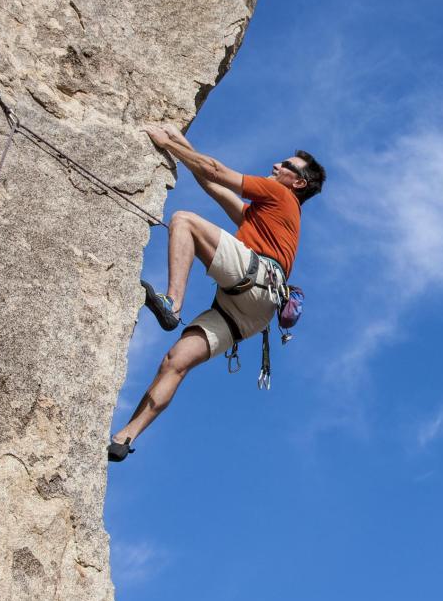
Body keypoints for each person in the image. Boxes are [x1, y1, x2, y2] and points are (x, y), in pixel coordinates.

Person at [107, 124, 325, 461]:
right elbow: (209, 181)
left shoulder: (279, 194)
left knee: (184, 220)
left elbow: (217, 171)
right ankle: (125, 436)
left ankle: (172, 303)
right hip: (253, 313)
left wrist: (167, 143)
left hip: (256, 279)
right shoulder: (268, 216)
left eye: (286, 166)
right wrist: (178, 143)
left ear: (298, 182)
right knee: (175, 362)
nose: (275, 167)